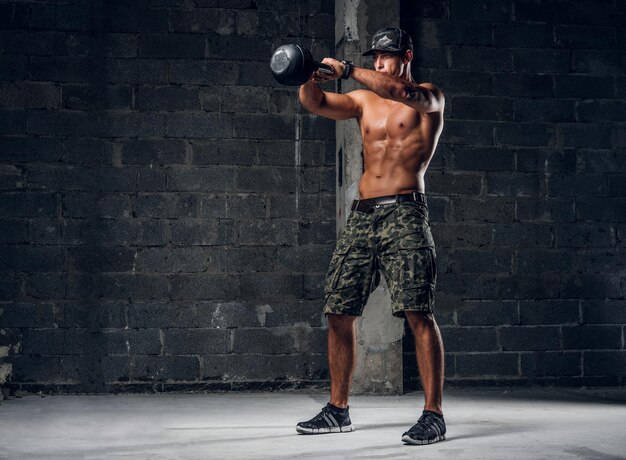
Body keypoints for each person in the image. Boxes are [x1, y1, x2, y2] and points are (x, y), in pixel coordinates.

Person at [295, 28, 446, 445]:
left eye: (387, 56)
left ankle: (433, 414)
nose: (380, 63)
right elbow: (317, 103)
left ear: (407, 56)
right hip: (363, 217)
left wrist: (348, 69)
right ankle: (338, 410)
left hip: (406, 213)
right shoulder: (364, 101)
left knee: (418, 312)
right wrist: (309, 76)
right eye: (375, 57)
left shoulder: (428, 97)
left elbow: (400, 90)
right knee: (339, 311)